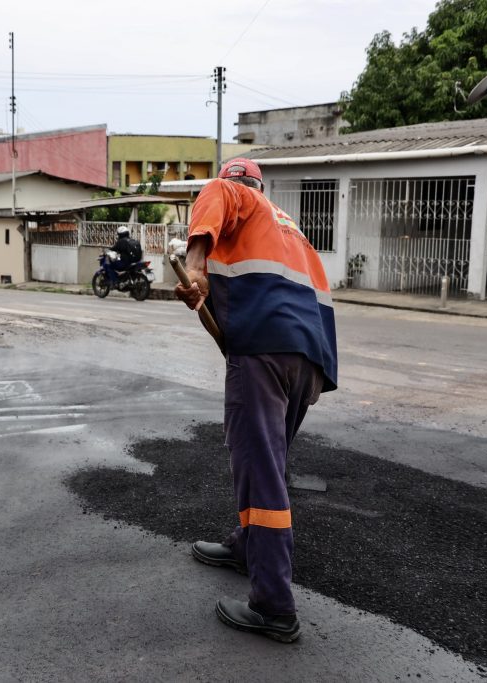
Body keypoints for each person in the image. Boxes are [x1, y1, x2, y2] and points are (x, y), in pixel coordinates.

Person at [175, 157, 338, 644]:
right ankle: (247, 547)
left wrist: (197, 265)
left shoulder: (231, 195)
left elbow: (215, 198)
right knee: (269, 461)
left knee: (260, 470)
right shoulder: (292, 231)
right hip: (308, 360)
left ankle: (273, 606)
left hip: (264, 355)